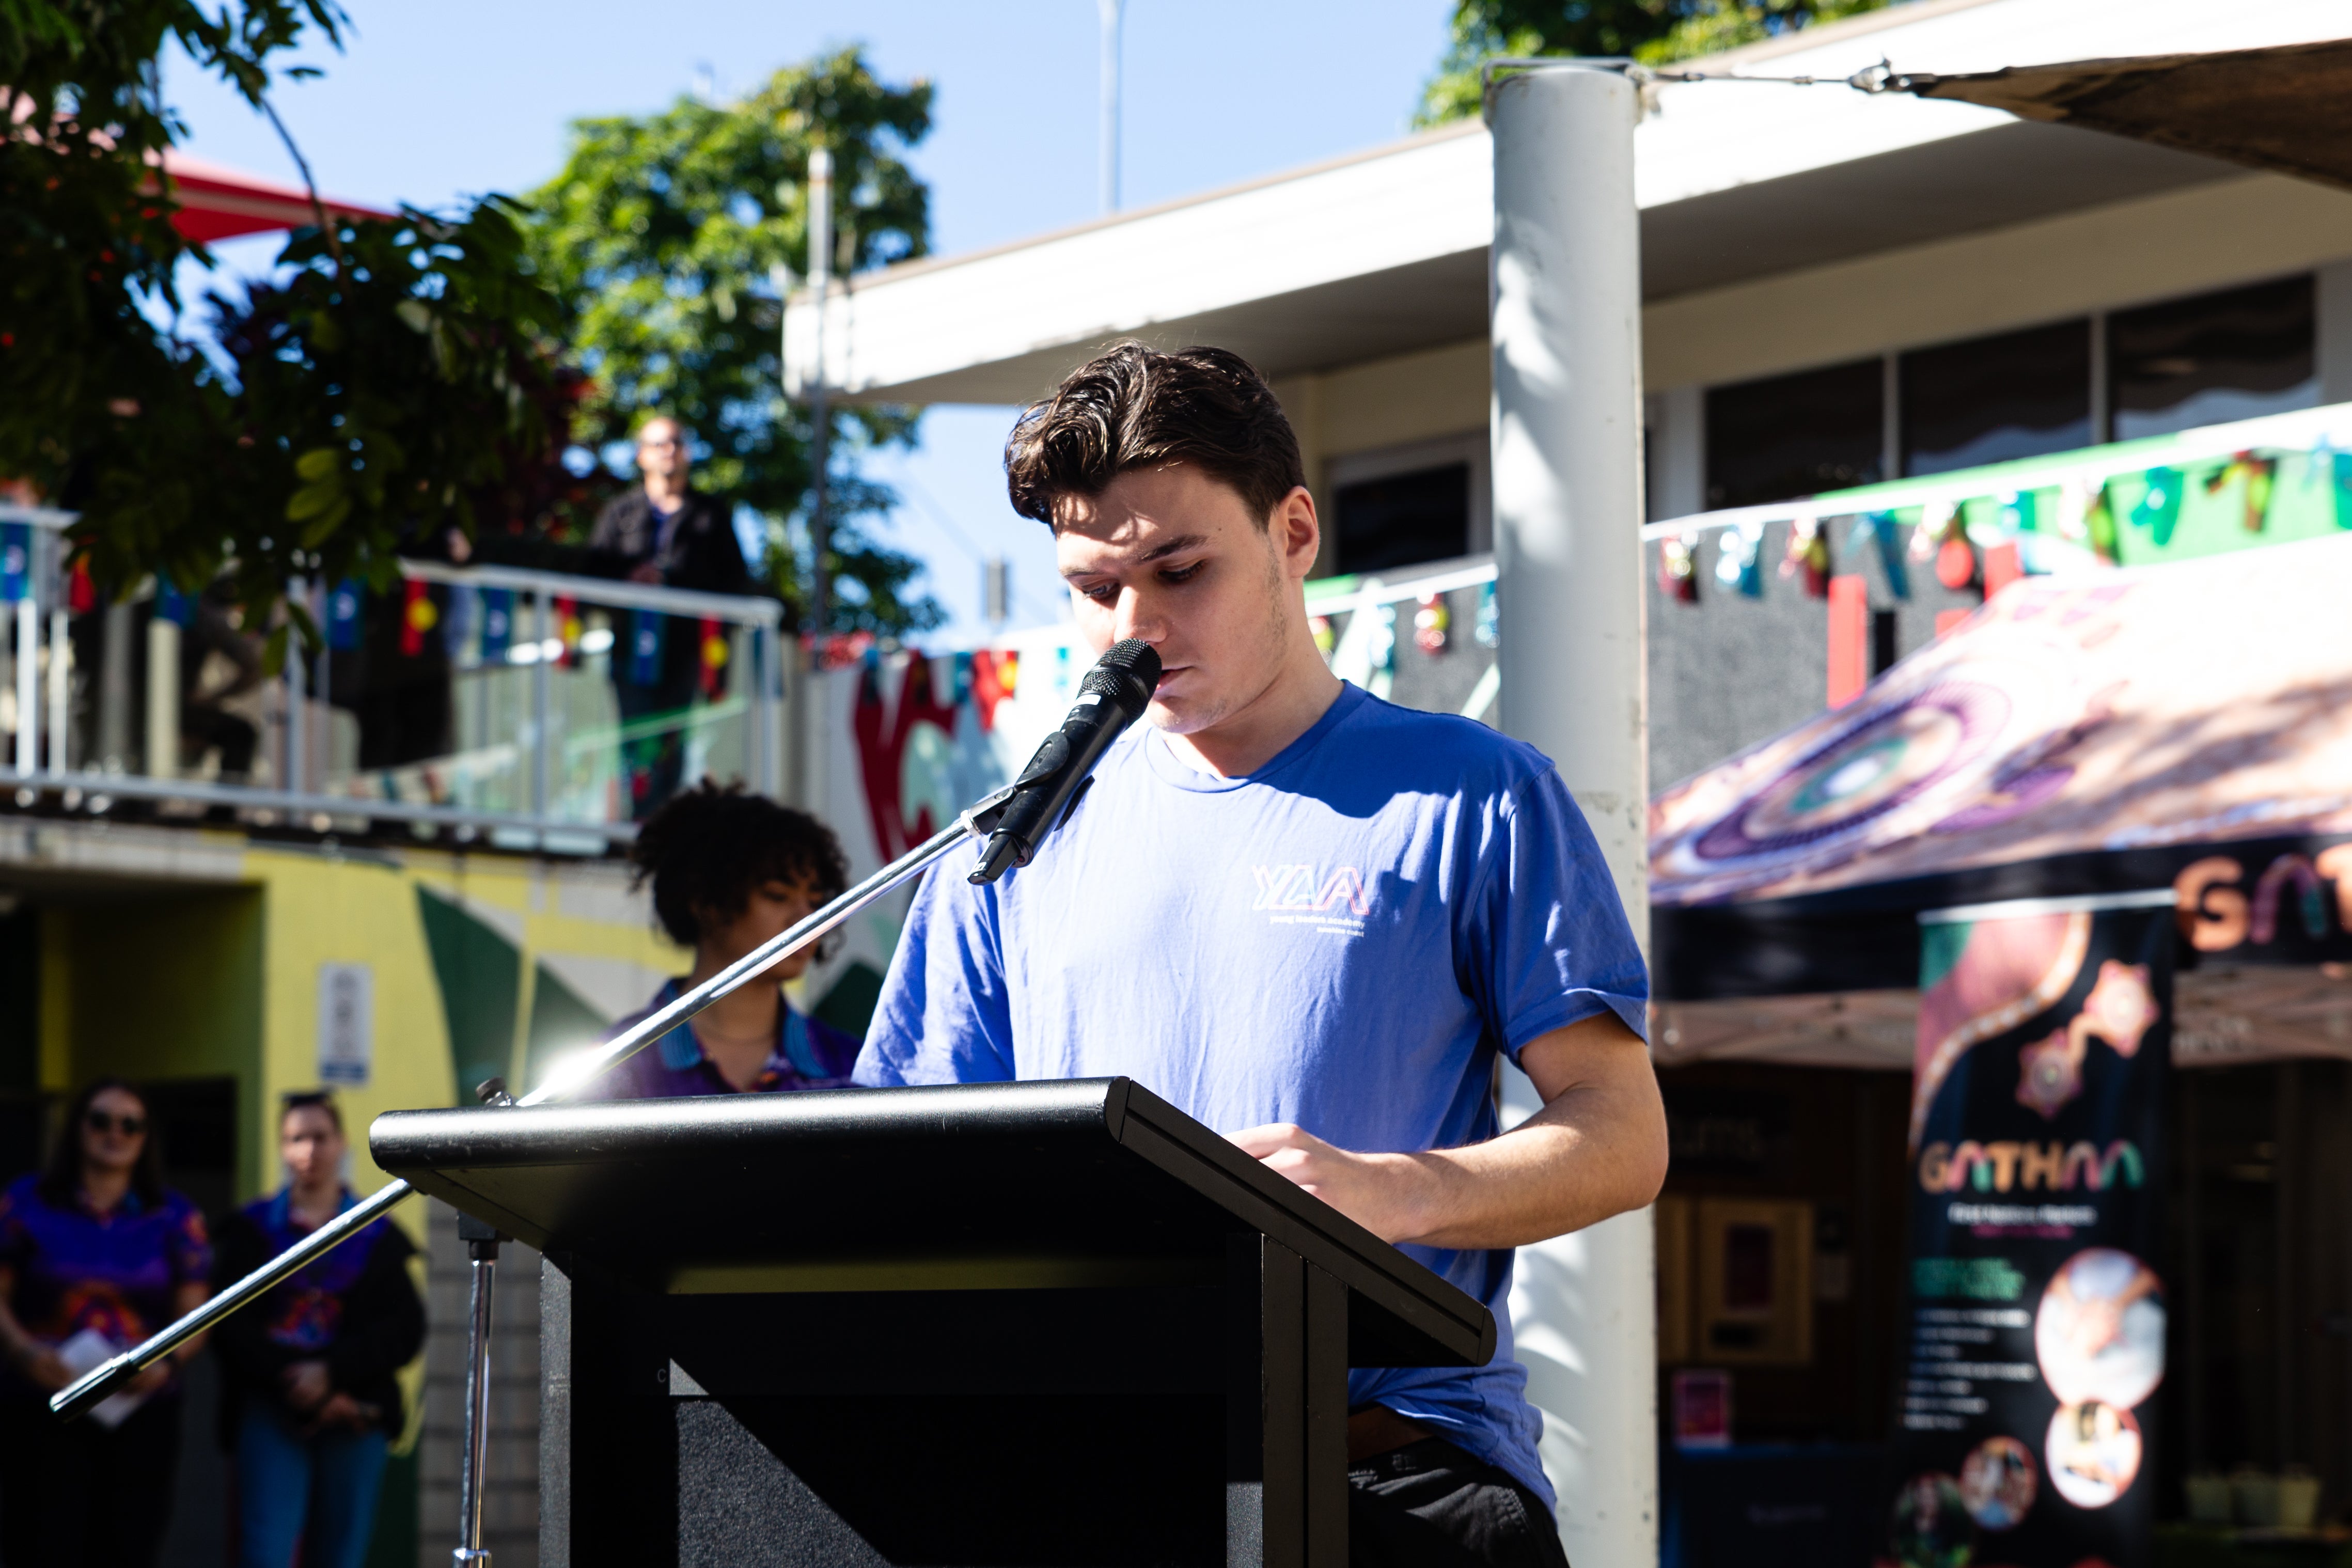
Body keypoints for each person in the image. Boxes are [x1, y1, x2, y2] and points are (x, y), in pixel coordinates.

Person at [857, 343, 1668, 1568]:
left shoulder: (1475, 792)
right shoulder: (1010, 839)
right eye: (1091, 586)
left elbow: (1623, 1131)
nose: (1133, 627)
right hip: (1091, 1478)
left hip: (1392, 1479)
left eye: (1180, 569)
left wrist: (1400, 1189)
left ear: (1295, 530)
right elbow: (899, 1173)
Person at [0, 1077, 213, 1567]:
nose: (115, 1133)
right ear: (77, 1128)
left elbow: (197, 1314)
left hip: (140, 1412)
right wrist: (22, 1352)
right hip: (43, 1404)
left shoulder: (175, 1216)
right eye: (100, 1121)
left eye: (131, 1125)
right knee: (41, 1544)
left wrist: (166, 1364)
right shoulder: (25, 1202)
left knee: (127, 1546)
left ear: (146, 1138)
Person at [214, 1092, 424, 1568]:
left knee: (341, 1557)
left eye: (320, 1137)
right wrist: (296, 1381)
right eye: (296, 1138)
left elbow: (404, 1330)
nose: (309, 1149)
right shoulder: (251, 1231)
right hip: (271, 1410)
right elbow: (229, 1328)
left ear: (343, 1143)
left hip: (355, 1413)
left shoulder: (379, 1234)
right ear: (282, 1148)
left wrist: (332, 1377)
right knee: (265, 1553)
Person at [580, 780, 860, 1099]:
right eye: (777, 895)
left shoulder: (853, 1068)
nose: (806, 918)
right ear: (706, 902)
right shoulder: (615, 1065)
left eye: (815, 901)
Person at [588, 417, 755, 818]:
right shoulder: (620, 513)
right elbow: (590, 571)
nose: (669, 451)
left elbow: (735, 581)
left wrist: (673, 580)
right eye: (659, 444)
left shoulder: (710, 515)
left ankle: (664, 826)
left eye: (676, 442)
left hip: (685, 650)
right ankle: (638, 823)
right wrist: (630, 578)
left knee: (674, 741)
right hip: (631, 648)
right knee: (634, 740)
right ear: (641, 455)